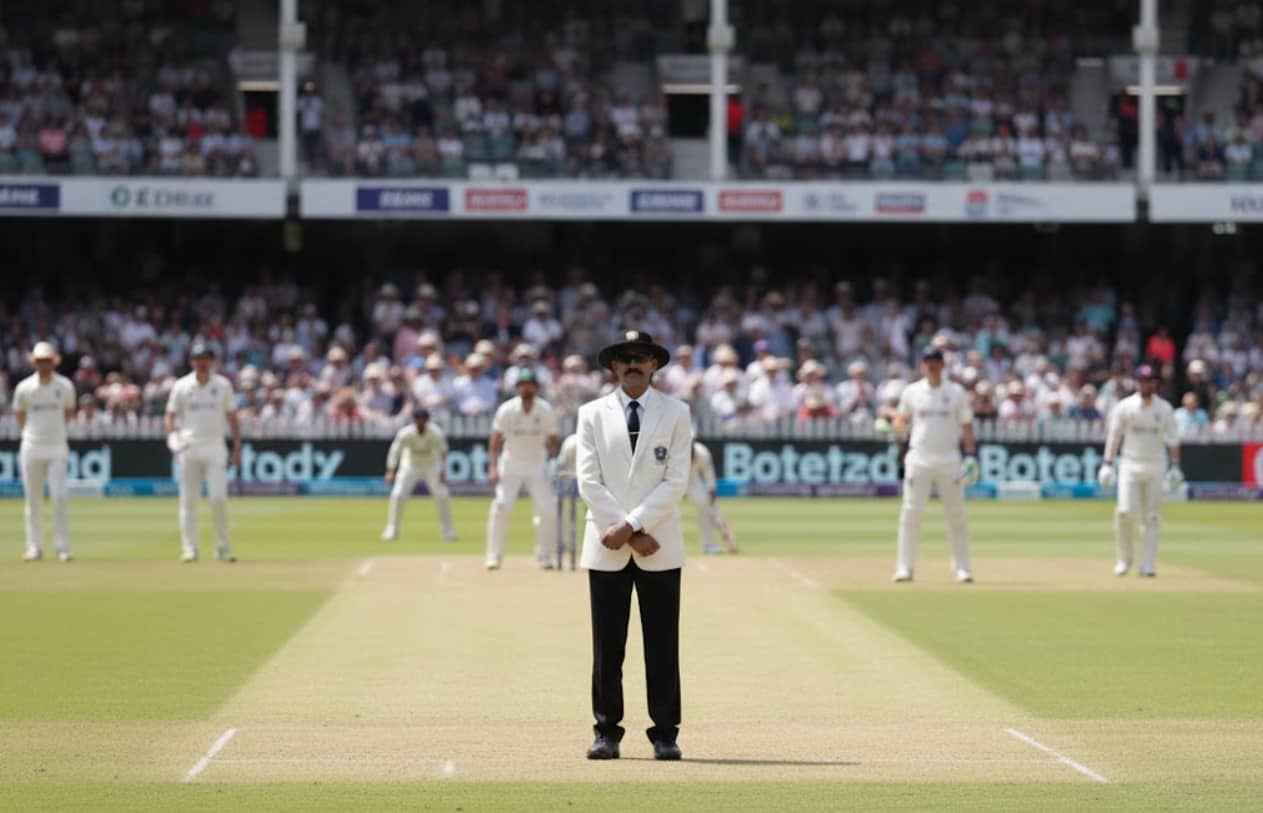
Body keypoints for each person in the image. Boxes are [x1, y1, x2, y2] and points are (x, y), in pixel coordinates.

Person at [576, 330, 692, 762]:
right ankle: (606, 731)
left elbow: (676, 481)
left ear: (654, 365)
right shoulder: (591, 413)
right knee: (607, 647)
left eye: (641, 357)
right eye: (625, 358)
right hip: (608, 543)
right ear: (613, 366)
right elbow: (589, 480)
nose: (633, 364)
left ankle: (665, 732)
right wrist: (626, 530)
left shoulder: (676, 412)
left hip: (656, 543)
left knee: (662, 644)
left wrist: (633, 525)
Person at [893, 348, 979, 583]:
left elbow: (967, 426)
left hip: (949, 459)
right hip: (919, 458)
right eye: (928, 362)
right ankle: (904, 568)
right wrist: (897, 426)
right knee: (911, 513)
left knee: (956, 515)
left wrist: (970, 456)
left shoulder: (956, 392)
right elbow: (901, 418)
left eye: (935, 362)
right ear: (922, 366)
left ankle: (962, 568)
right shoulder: (912, 392)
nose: (932, 366)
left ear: (942, 365)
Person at [1097, 364, 1182, 577]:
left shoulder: (1164, 409)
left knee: (1151, 517)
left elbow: (1173, 439)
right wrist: (1107, 463)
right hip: (1130, 464)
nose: (1145, 384)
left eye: (1149, 380)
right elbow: (1114, 436)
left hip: (1156, 464)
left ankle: (1148, 563)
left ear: (1155, 383)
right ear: (1136, 383)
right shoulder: (1125, 407)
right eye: (1141, 380)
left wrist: (1175, 466)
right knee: (1124, 512)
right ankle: (1124, 559)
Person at [164, 342, 242, 563]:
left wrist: (237, 446)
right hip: (189, 447)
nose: (202, 363)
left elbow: (232, 417)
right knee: (189, 501)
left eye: (206, 359)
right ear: (192, 361)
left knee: (218, 498)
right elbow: (170, 415)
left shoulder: (223, 385)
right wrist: (173, 436)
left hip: (215, 446)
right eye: (198, 359)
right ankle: (190, 548)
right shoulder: (182, 386)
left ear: (212, 361)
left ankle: (223, 547)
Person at [485, 368, 559, 570]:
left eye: (530, 385)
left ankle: (544, 555)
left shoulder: (544, 409)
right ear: (518, 388)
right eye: (523, 385)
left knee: (547, 509)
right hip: (511, 463)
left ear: (535, 387)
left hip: (537, 463)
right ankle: (493, 555)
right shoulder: (507, 409)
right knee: (501, 506)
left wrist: (554, 462)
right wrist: (493, 467)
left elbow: (553, 439)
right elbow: (495, 440)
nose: (526, 388)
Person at [13, 342, 75, 562]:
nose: (44, 365)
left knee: (59, 497)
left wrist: (53, 433)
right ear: (35, 363)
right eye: (40, 361)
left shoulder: (65, 386)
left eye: (47, 361)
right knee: (33, 499)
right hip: (32, 446)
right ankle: (34, 547)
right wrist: (34, 434)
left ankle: (62, 547)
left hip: (57, 446)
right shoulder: (24, 388)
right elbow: (20, 415)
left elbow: (68, 413)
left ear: (53, 362)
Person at [382, 407, 457, 542]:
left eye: (423, 420)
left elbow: (443, 451)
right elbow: (395, 451)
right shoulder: (405, 433)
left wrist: (442, 471)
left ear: (427, 420)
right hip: (410, 465)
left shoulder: (435, 433)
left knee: (442, 495)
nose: (421, 422)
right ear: (414, 420)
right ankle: (392, 530)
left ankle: (448, 531)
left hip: (431, 465)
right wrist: (390, 470)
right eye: (418, 420)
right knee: (397, 495)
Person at [688, 441, 737, 554]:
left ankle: (708, 545)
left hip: (693, 476)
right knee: (703, 504)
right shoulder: (680, 452)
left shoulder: (703, 453)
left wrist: (712, 491)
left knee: (706, 508)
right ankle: (708, 544)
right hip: (681, 476)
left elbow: (709, 474)